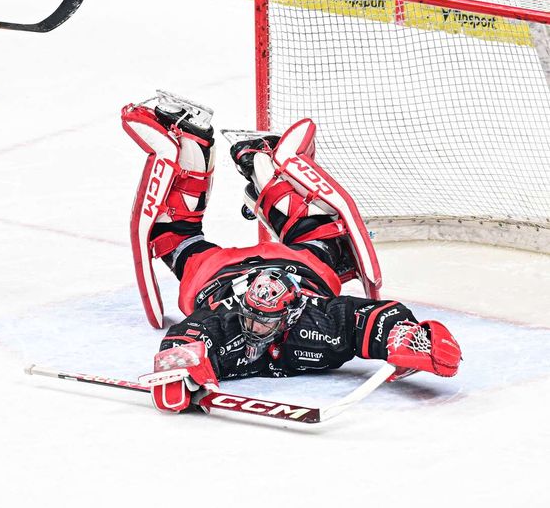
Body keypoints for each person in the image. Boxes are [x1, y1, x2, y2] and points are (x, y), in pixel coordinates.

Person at [121, 91, 462, 413]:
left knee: (172, 236)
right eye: (251, 316)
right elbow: (186, 339)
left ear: (289, 315)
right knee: (315, 236)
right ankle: (257, 161)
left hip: (220, 270)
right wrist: (182, 372)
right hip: (246, 270)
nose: (252, 326)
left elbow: (372, 319)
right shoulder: (229, 320)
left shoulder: (317, 319)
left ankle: (209, 147)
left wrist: (411, 338)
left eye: (262, 320)